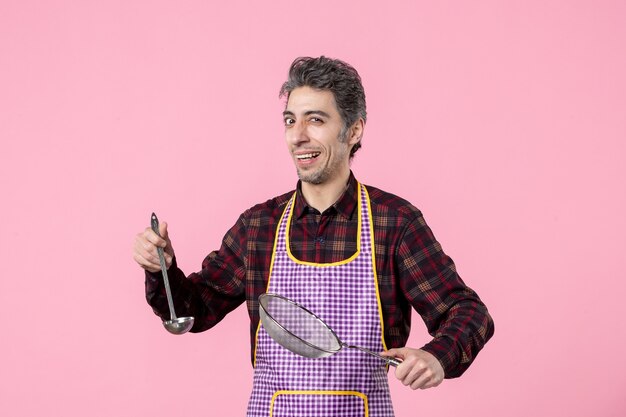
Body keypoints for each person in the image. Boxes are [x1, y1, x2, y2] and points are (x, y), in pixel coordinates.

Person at [133, 56, 494, 416]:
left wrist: (436, 356)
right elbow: (192, 310)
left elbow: (467, 312)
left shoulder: (394, 222)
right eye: (291, 120)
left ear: (353, 131)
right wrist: (161, 270)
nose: (298, 135)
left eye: (316, 120)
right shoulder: (259, 226)